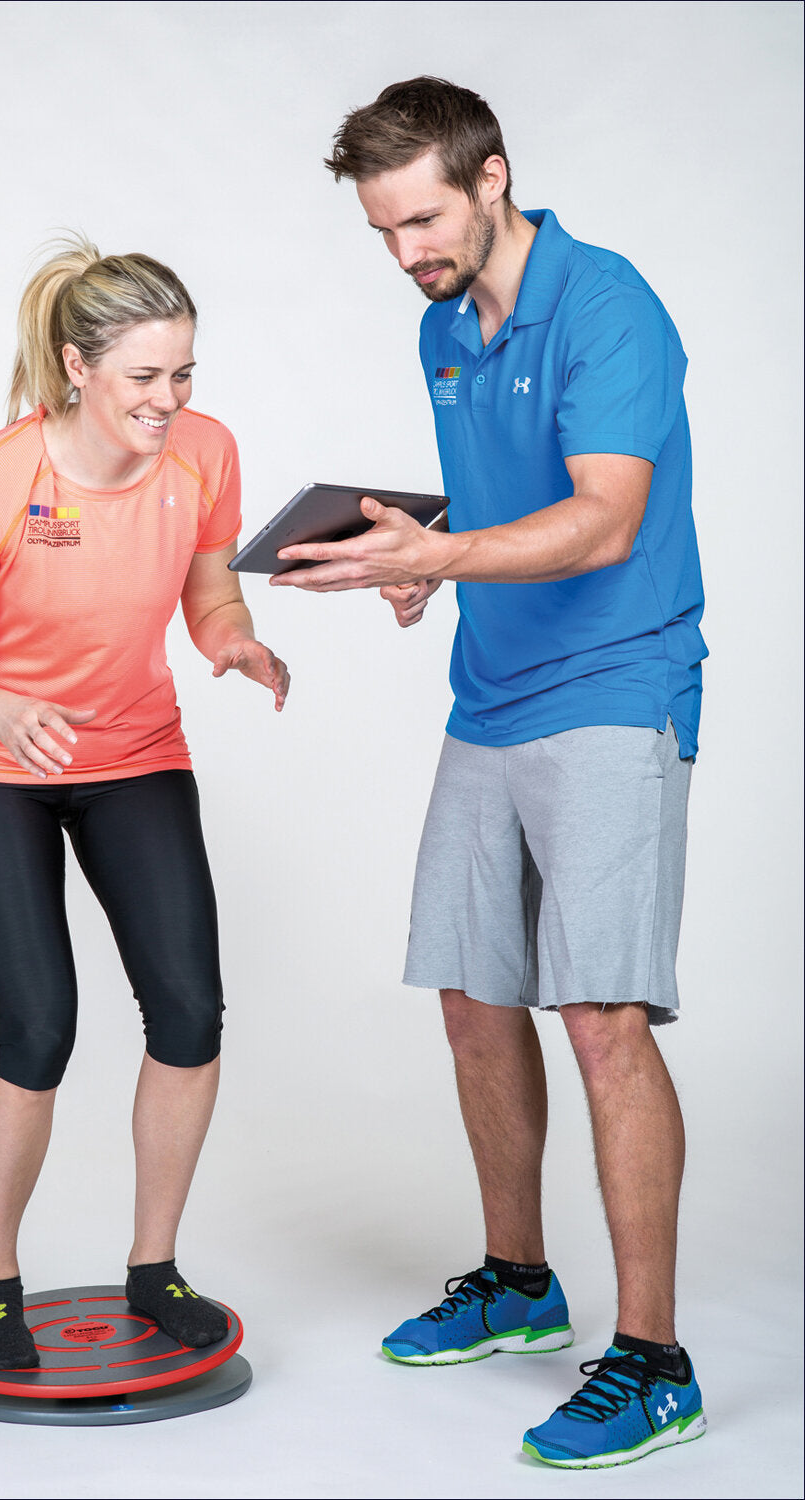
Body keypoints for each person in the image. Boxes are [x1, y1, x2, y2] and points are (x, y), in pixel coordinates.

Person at [272, 78, 707, 1469]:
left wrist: (435, 560)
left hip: (614, 685)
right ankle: (520, 1281)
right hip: (492, 696)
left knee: (601, 1020)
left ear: (492, 176)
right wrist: (414, 551)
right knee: (472, 1001)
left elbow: (600, 520)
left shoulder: (609, 304)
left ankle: (653, 1363)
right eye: (384, 229)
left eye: (424, 218)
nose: (408, 251)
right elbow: (511, 502)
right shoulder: (444, 327)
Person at [0, 236, 288, 1370]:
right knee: (37, 1028)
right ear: (78, 365)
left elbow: (209, 591)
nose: (168, 402)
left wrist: (236, 644)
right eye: (142, 378)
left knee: (187, 1013)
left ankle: (153, 1263)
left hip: (133, 754)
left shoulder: (202, 454)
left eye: (183, 376)